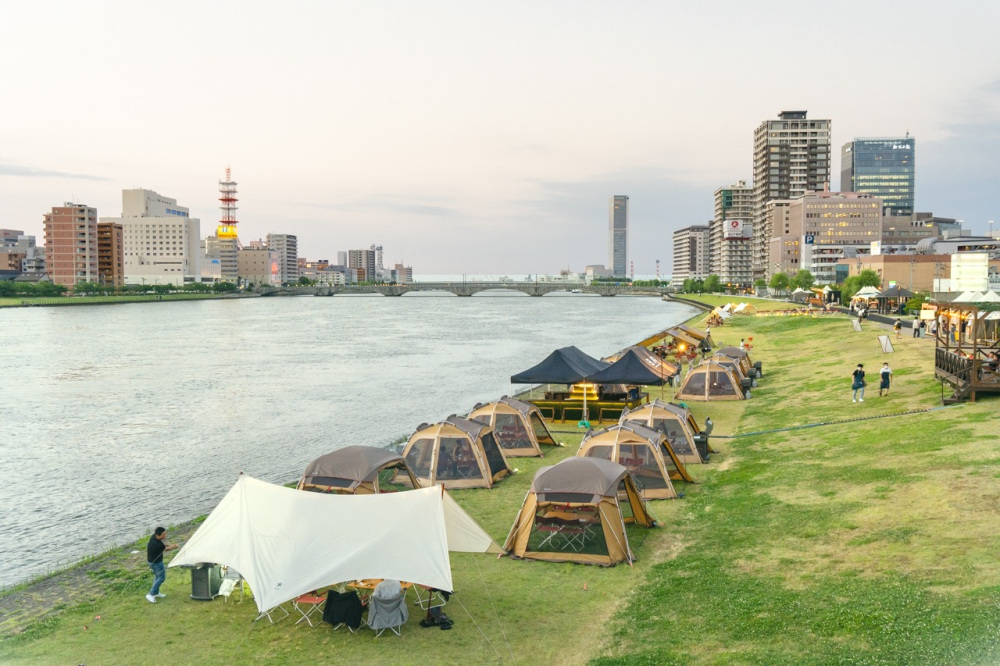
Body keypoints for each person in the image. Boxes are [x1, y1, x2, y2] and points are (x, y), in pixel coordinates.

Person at [146, 527, 178, 603]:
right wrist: (174, 546)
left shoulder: (153, 537)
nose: (165, 536)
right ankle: (151, 594)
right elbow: (167, 549)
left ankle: (156, 592)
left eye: (165, 533)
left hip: (150, 562)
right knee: (161, 578)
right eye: (163, 534)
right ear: (158, 535)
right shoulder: (158, 545)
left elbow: (163, 544)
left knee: (157, 577)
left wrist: (168, 544)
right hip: (156, 563)